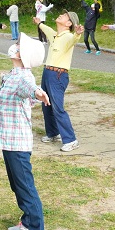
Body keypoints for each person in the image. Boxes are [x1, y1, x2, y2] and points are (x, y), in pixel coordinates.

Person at [0, 32, 51, 230]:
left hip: (17, 142)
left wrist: (38, 93)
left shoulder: (23, 77)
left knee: (26, 188)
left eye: (17, 45)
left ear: (22, 54)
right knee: (17, 185)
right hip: (9, 139)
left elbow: (30, 89)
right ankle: (27, 221)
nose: (13, 46)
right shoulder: (14, 74)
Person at [34, 10, 84, 152]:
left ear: (69, 23)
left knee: (57, 108)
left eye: (64, 16)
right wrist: (40, 23)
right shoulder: (56, 35)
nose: (60, 15)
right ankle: (53, 133)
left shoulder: (68, 36)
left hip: (58, 75)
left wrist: (78, 33)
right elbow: (48, 30)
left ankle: (71, 139)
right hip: (48, 73)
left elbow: (74, 39)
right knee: (46, 104)